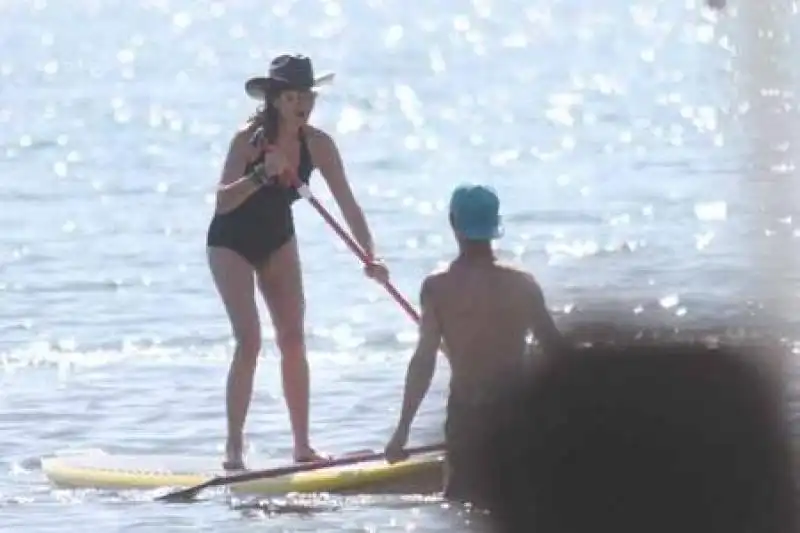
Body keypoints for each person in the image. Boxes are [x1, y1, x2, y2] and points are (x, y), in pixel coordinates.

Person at [206, 54, 389, 469]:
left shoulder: (318, 145)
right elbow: (222, 202)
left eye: (307, 94)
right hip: (230, 241)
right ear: (275, 100)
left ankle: (302, 446)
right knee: (249, 340)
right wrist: (259, 175)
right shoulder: (248, 141)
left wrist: (370, 255)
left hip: (277, 237)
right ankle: (234, 447)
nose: (302, 103)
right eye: (292, 96)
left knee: (292, 338)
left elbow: (349, 205)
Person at [383, 183, 564, 503]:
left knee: (460, 504)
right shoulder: (522, 283)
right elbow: (558, 354)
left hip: (467, 413)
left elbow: (424, 362)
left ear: (453, 223)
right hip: (517, 413)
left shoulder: (438, 288)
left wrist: (403, 430)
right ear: (495, 225)